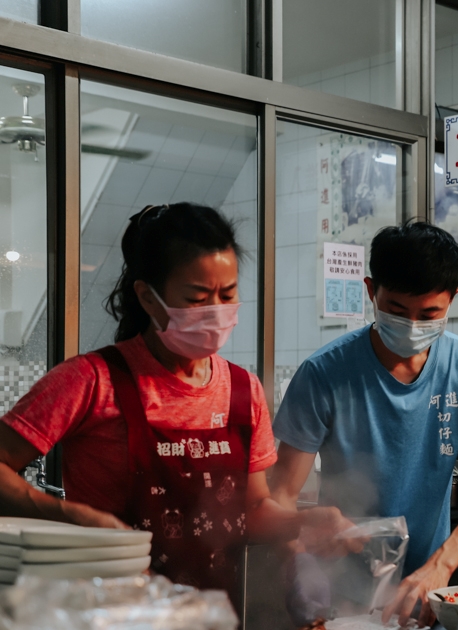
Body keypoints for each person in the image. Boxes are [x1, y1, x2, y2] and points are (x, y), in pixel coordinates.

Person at [0, 203, 344, 604]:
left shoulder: (241, 389)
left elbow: (252, 508)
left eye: (227, 294)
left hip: (212, 623)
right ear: (148, 298)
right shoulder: (92, 380)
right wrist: (69, 516)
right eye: (198, 297)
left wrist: (303, 523)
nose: (216, 310)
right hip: (109, 619)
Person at [271, 221, 458, 627]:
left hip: (428, 588)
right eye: (397, 312)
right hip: (340, 593)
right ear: (371, 291)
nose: (413, 326)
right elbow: (279, 496)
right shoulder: (325, 373)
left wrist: (440, 566)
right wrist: (297, 560)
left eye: (429, 314)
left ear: (453, 299)